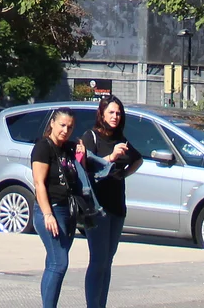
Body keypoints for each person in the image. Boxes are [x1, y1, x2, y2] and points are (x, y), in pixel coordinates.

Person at [80, 95, 141, 308]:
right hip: (97, 207)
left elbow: (138, 159)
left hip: (117, 206)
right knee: (97, 260)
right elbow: (85, 166)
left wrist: (124, 174)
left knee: (107, 261)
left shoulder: (120, 139)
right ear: (102, 114)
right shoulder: (91, 137)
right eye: (111, 113)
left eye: (118, 113)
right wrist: (111, 159)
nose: (115, 117)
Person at [31, 108, 82, 308]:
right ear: (52, 123)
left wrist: (81, 148)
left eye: (69, 127)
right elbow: (39, 183)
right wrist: (47, 214)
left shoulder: (68, 148)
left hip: (68, 211)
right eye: (62, 125)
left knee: (53, 264)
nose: (65, 130)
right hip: (50, 210)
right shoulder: (43, 147)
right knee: (59, 263)